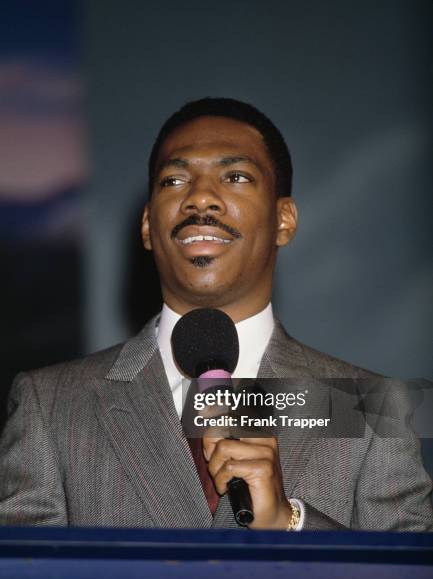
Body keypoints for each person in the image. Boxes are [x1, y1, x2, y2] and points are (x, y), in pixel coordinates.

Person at [0, 98, 432, 530]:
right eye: (174, 180)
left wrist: (291, 522)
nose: (200, 198)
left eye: (236, 176)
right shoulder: (52, 405)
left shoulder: (369, 409)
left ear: (285, 220)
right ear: (148, 225)